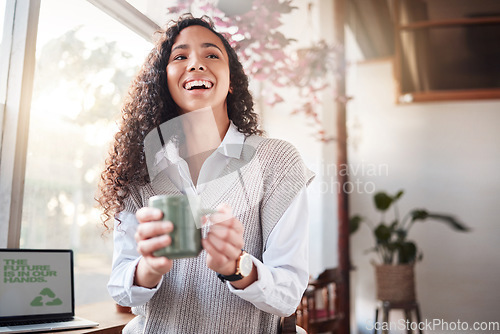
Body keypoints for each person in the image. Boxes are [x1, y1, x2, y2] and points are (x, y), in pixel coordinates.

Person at [98, 14, 314, 333]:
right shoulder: (140, 170)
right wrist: (150, 266)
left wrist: (236, 266)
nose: (196, 63)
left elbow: (288, 295)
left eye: (211, 54)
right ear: (164, 80)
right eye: (180, 56)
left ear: (232, 81)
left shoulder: (277, 161)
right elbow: (120, 287)